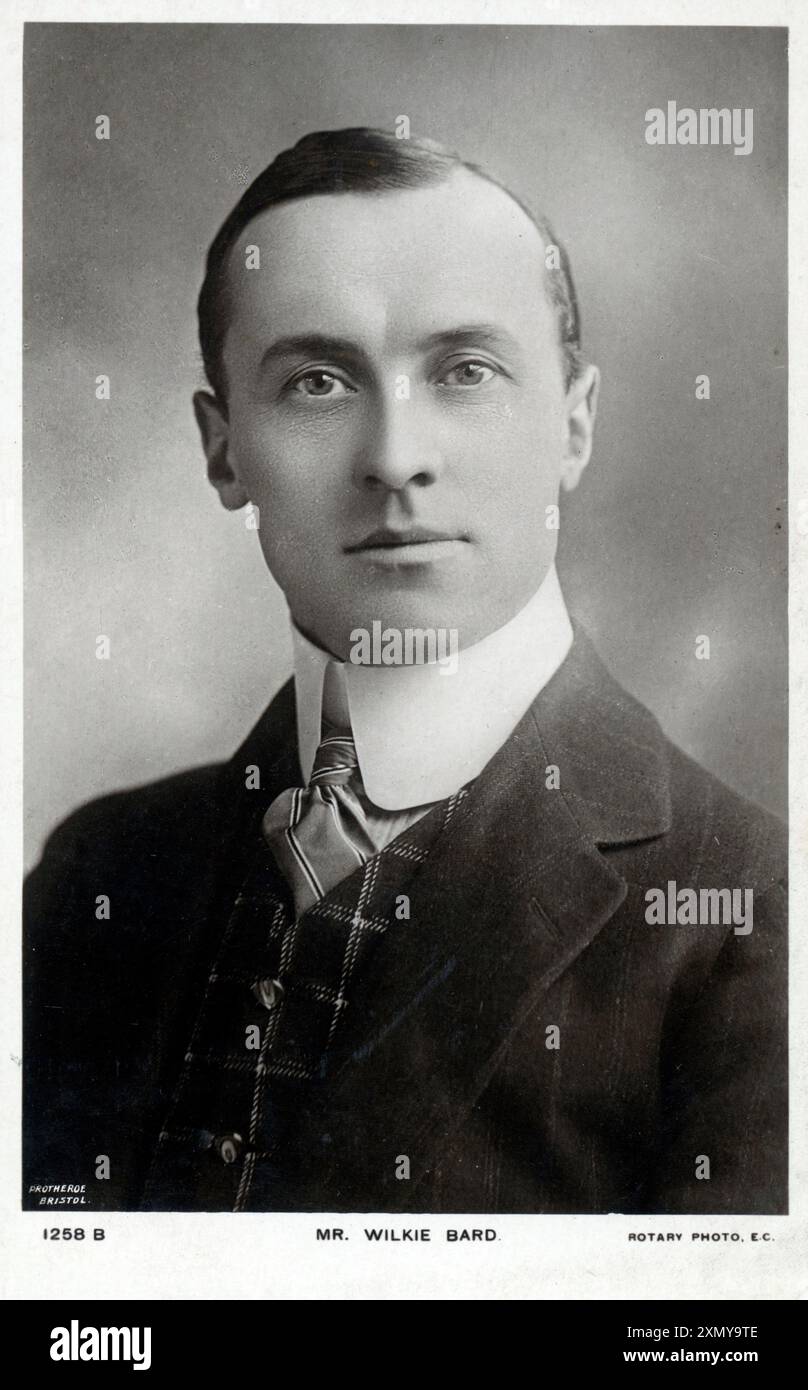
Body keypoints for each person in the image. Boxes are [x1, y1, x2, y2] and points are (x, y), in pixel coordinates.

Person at [23, 127, 787, 1215]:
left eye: (464, 371)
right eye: (318, 381)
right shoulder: (97, 871)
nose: (393, 458)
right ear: (222, 448)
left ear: (573, 426)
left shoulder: (753, 913)